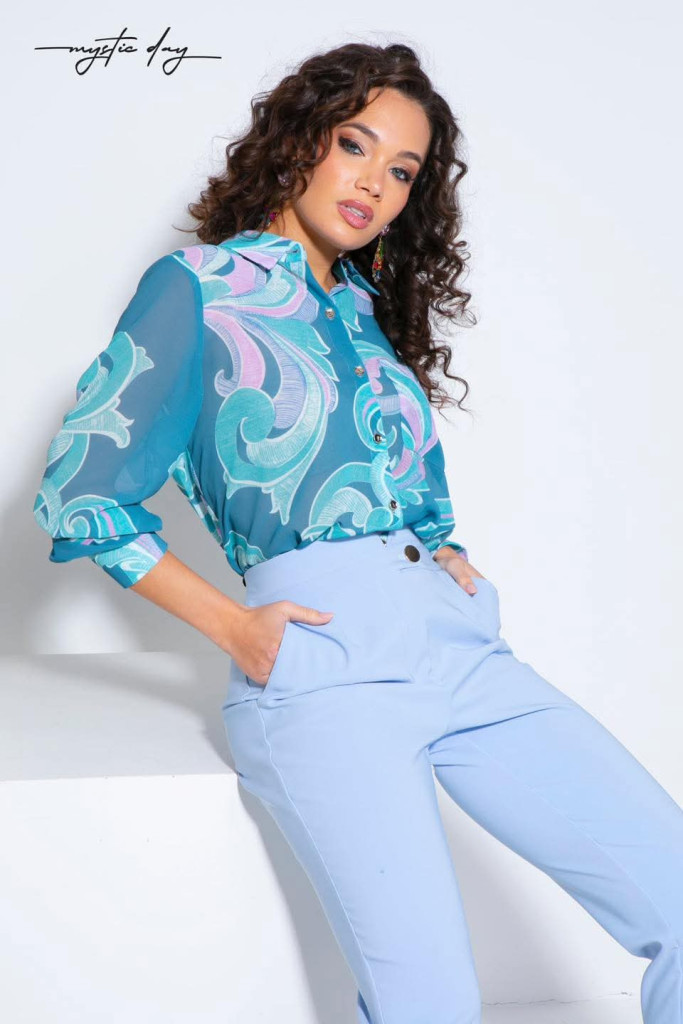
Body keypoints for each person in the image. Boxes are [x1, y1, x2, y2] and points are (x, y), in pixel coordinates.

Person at [32, 41, 683, 1024]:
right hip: (323, 666)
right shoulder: (199, 287)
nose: (375, 183)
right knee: (433, 1002)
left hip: (458, 650)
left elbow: (414, 498)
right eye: (355, 145)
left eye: (402, 171)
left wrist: (444, 556)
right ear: (300, 140)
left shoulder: (366, 313)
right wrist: (239, 630)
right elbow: (80, 491)